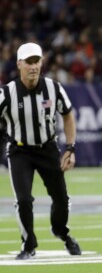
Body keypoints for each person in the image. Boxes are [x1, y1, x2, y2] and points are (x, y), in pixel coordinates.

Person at [0, 42, 81, 260]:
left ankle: (61, 232)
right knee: (24, 200)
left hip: (48, 148)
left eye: (37, 61)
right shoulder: (7, 93)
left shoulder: (53, 88)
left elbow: (68, 115)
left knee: (61, 198)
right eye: (29, 62)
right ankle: (28, 245)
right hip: (19, 152)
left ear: (42, 62)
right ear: (19, 64)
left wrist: (70, 148)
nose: (33, 66)